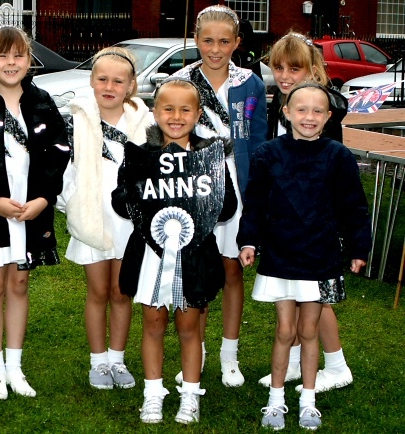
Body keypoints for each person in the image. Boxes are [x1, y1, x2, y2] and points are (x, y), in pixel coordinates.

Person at [238, 82, 371, 430]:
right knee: (285, 330)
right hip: (281, 255)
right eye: (301, 109)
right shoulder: (267, 154)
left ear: (328, 117)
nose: (308, 117)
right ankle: (276, 400)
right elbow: (254, 203)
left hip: (321, 257)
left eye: (317, 111)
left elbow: (354, 206)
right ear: (286, 112)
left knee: (309, 330)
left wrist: (359, 248)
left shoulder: (338, 156)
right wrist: (248, 241)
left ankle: (308, 400)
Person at [111, 78, 237, 424]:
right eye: (168, 108)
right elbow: (120, 201)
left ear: (198, 114)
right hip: (152, 254)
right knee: (152, 323)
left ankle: (190, 395)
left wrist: (207, 197)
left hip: (194, 255)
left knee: (189, 326)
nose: (176, 116)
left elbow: (227, 208)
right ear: (155, 112)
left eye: (185, 109)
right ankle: (153, 393)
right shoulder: (140, 155)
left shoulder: (209, 157)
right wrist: (134, 193)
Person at [0, 26, 70, 400]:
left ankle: (15, 367)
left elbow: (58, 151)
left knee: (19, 284)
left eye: (19, 55)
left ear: (29, 61)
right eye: (2, 55)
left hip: (30, 205)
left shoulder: (41, 101)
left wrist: (43, 198)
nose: (11, 62)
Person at [172, 4, 268, 387]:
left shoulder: (250, 84)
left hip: (238, 187)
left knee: (231, 269)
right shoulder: (180, 80)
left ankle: (230, 354)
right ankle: (196, 352)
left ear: (237, 43)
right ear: (195, 40)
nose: (215, 49)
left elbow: (258, 141)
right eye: (208, 40)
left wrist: (258, 192)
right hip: (193, 188)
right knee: (197, 272)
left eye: (224, 41)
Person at [260, 31, 353, 393]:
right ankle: (297, 361)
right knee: (296, 296)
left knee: (317, 298)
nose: (284, 75)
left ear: (313, 69)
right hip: (287, 221)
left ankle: (337, 364)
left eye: (294, 68)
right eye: (278, 67)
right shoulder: (281, 103)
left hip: (317, 226)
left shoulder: (321, 110)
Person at [56, 47, 153, 390]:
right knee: (98, 292)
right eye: (102, 79)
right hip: (93, 217)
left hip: (130, 222)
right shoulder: (76, 120)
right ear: (92, 81)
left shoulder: (146, 122)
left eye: (118, 80)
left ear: (130, 86)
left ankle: (117, 358)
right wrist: (75, 204)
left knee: (121, 291)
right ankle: (98, 362)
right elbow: (64, 171)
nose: (109, 86)